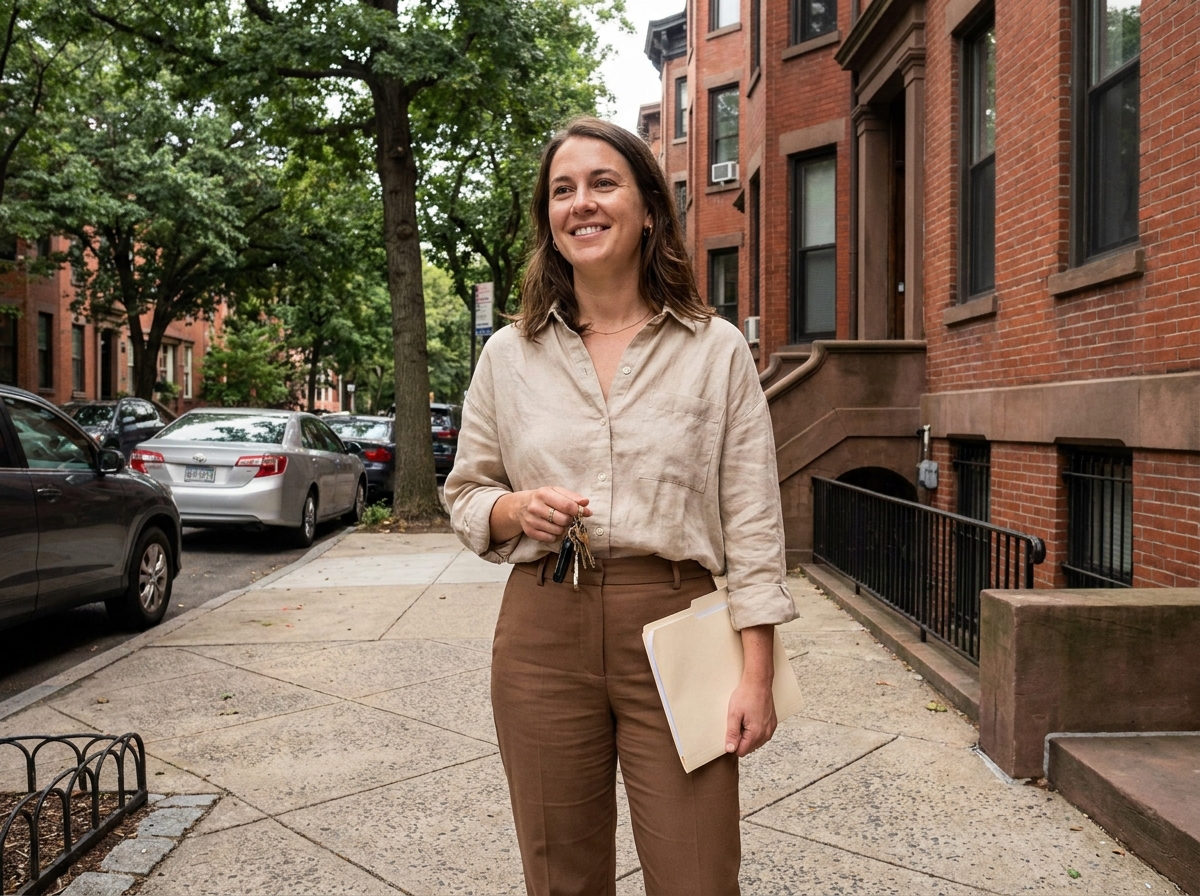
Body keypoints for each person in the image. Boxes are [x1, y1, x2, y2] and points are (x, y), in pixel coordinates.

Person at [445, 117, 796, 896]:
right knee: (560, 876)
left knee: (699, 876)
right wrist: (514, 512)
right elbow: (467, 492)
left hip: (676, 621)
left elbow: (755, 524)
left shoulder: (716, 349)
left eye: (602, 183)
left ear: (647, 207)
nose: (582, 203)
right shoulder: (509, 355)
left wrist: (758, 673)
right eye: (562, 191)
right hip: (542, 632)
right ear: (549, 220)